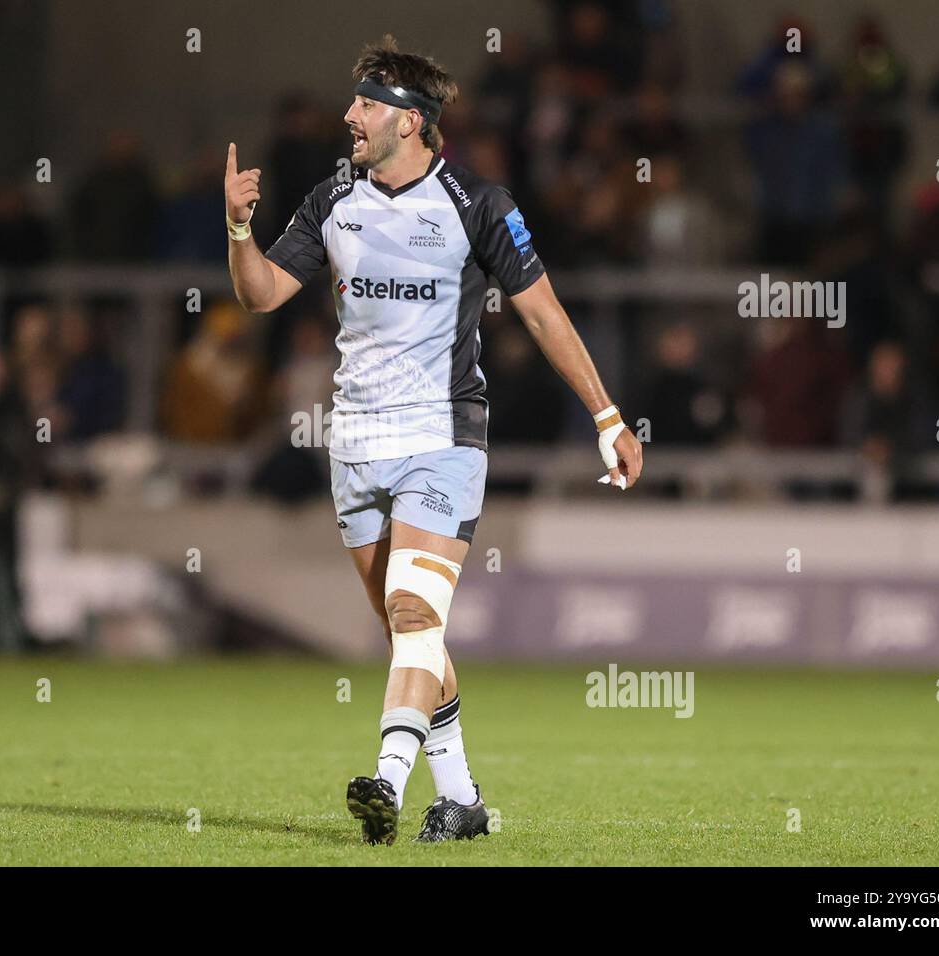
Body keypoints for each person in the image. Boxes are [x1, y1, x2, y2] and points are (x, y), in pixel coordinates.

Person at [225, 36, 642, 845]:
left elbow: (544, 312)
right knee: (407, 636)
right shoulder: (331, 197)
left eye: (367, 103)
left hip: (443, 438)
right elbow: (264, 295)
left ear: (411, 122)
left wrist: (607, 417)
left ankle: (385, 781)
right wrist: (240, 229)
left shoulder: (479, 205)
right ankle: (464, 801)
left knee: (415, 614)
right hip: (353, 446)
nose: (350, 114)